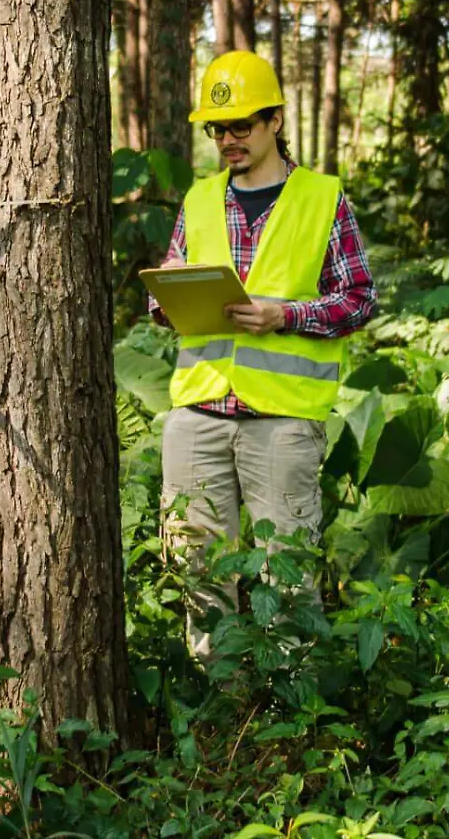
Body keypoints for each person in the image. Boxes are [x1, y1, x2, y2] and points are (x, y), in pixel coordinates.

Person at [147, 50, 377, 662]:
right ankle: (215, 704)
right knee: (196, 569)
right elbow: (169, 294)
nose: (227, 140)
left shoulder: (322, 198)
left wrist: (286, 313)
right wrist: (169, 295)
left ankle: (289, 715)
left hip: (282, 419)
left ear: (276, 120)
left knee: (289, 574)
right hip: (199, 412)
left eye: (241, 126)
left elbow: (358, 299)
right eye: (216, 129)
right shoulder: (198, 201)